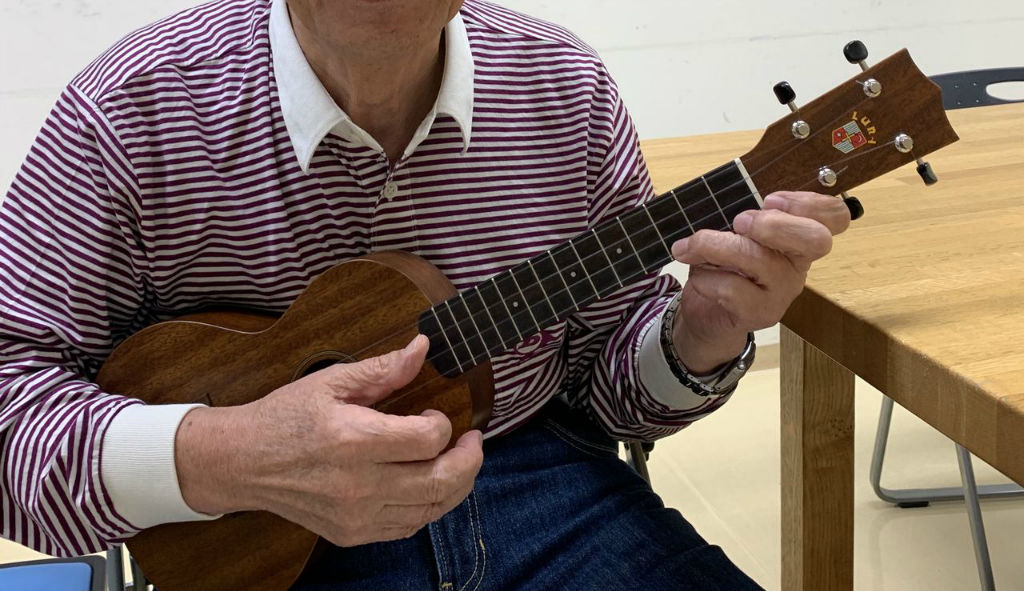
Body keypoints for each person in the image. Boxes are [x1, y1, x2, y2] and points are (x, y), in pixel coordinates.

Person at [0, 0, 849, 588]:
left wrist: (700, 333)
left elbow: (612, 397)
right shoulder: (133, 112)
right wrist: (232, 455)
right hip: (257, 543)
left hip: (540, 484)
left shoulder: (567, 91)